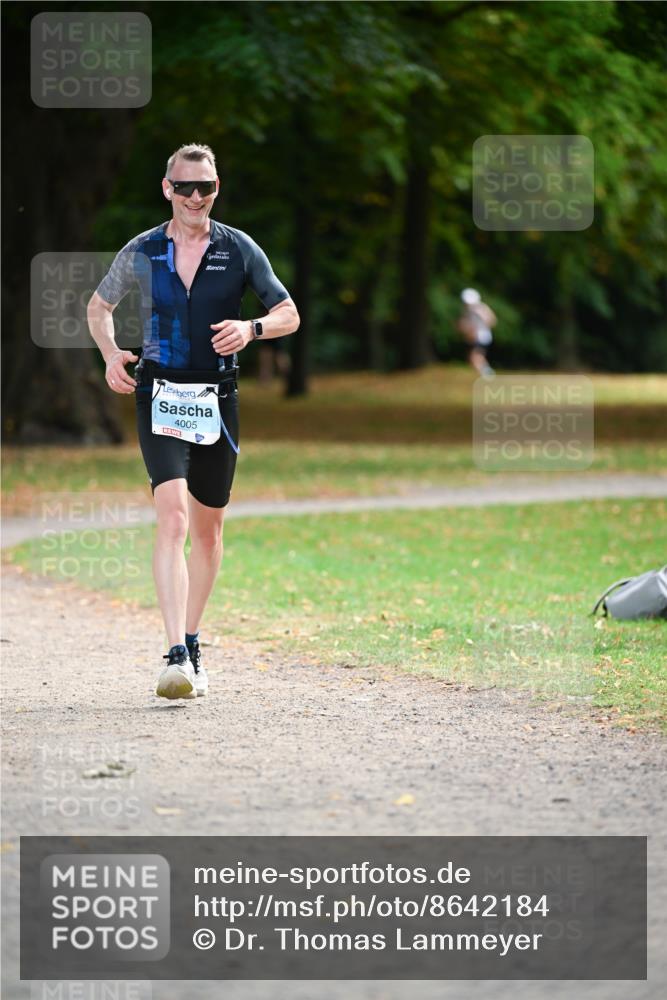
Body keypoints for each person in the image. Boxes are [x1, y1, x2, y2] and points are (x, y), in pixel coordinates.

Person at [87, 143, 299, 700]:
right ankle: (175, 654)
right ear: (167, 189)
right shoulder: (142, 250)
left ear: (216, 188)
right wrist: (110, 355)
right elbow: (98, 307)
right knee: (174, 519)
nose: (195, 197)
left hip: (217, 399)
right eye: (185, 187)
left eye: (205, 187)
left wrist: (251, 329)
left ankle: (193, 638)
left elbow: (289, 313)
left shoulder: (238, 248)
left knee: (208, 532)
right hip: (158, 394)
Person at [457, 288, 496, 379]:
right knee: (478, 357)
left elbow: (491, 320)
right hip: (478, 337)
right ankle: (486, 374)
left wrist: (477, 329)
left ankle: (487, 375)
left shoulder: (478, 309)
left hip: (481, 337)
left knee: (474, 357)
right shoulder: (470, 310)